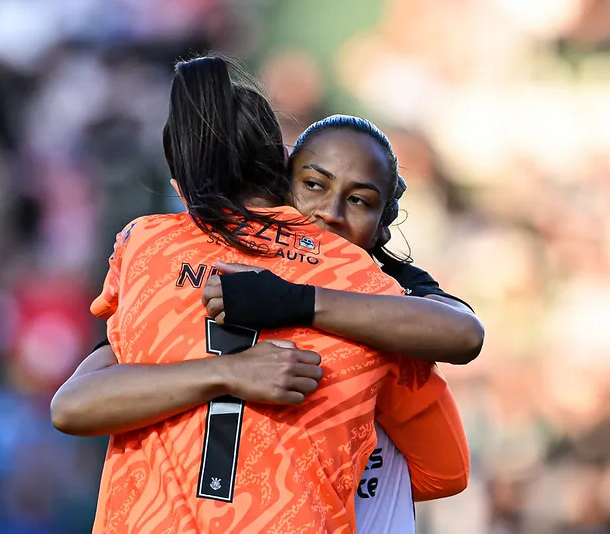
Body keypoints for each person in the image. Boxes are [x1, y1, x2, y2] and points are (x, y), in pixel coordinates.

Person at [54, 56, 473, 533]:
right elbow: (445, 467)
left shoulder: (149, 246)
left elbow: (73, 404)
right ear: (282, 179)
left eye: (359, 200)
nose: (330, 214)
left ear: (179, 187)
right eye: (315, 186)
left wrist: (288, 304)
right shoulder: (366, 288)